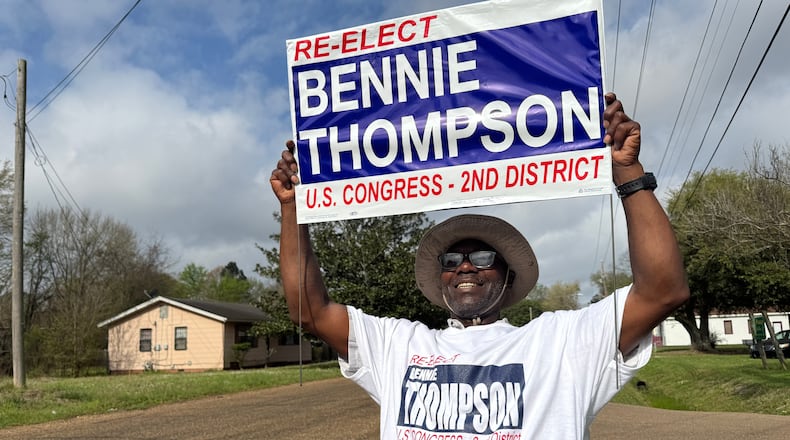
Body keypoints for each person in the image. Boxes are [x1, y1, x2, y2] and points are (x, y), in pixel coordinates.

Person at [269, 93, 689, 439]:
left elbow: (662, 291)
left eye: (483, 257)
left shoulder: (561, 343)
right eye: (451, 260)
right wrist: (292, 208)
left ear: (508, 276)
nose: (465, 267)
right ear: (441, 279)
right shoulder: (398, 345)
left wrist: (626, 170)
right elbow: (310, 311)